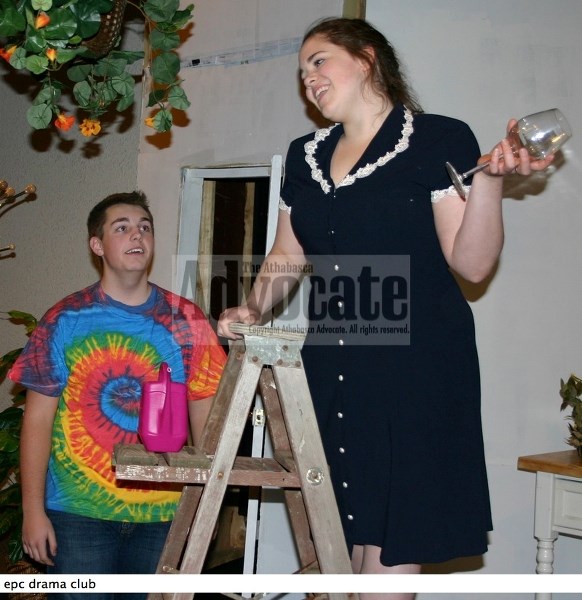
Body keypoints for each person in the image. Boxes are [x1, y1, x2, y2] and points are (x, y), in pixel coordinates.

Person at [217, 17, 557, 597]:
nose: (309, 80)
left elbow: (471, 264)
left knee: (393, 539)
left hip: (416, 364)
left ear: (367, 59)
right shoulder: (303, 156)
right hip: (333, 365)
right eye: (302, 74)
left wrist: (492, 185)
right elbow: (288, 252)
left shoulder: (437, 139)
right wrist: (252, 307)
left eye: (319, 62)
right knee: (348, 532)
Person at [9, 191, 226, 597]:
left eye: (145, 227)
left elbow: (208, 425)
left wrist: (205, 505)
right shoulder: (64, 319)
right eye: (121, 228)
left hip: (164, 513)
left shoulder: (189, 321)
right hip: (77, 515)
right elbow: (36, 420)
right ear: (97, 245)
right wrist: (32, 511)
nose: (136, 236)